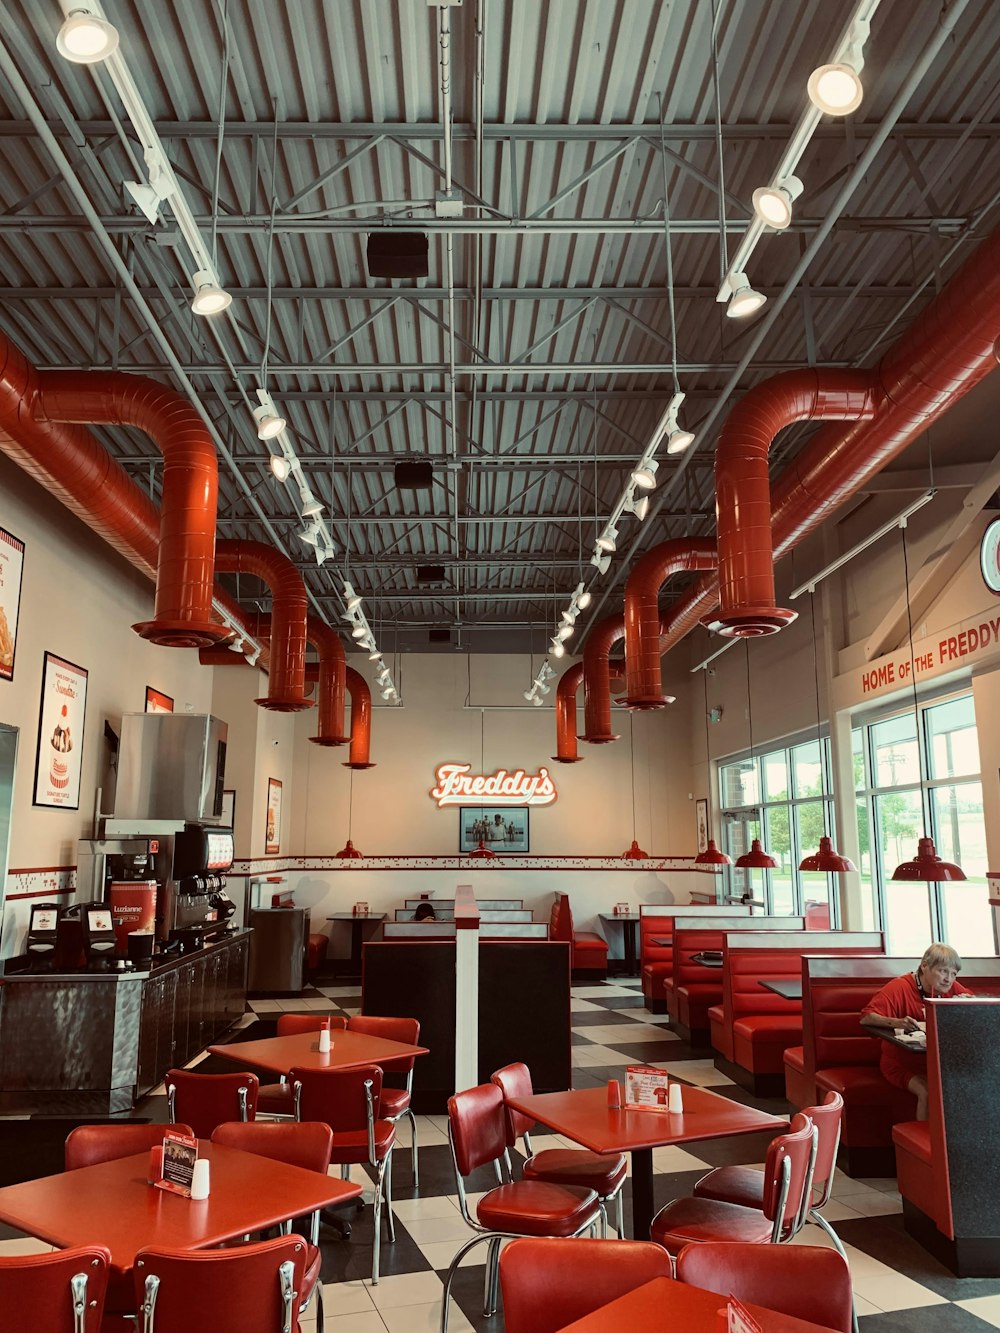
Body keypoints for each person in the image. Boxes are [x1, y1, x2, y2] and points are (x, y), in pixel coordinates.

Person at [860, 942, 971, 1120]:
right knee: (927, 1092)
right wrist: (898, 1022)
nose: (948, 979)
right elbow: (867, 1017)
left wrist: (966, 1005)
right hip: (901, 1063)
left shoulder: (951, 988)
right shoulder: (899, 987)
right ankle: (922, 1145)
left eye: (954, 974)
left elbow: (977, 1008)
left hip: (939, 1063)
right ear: (924, 966)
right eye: (943, 971)